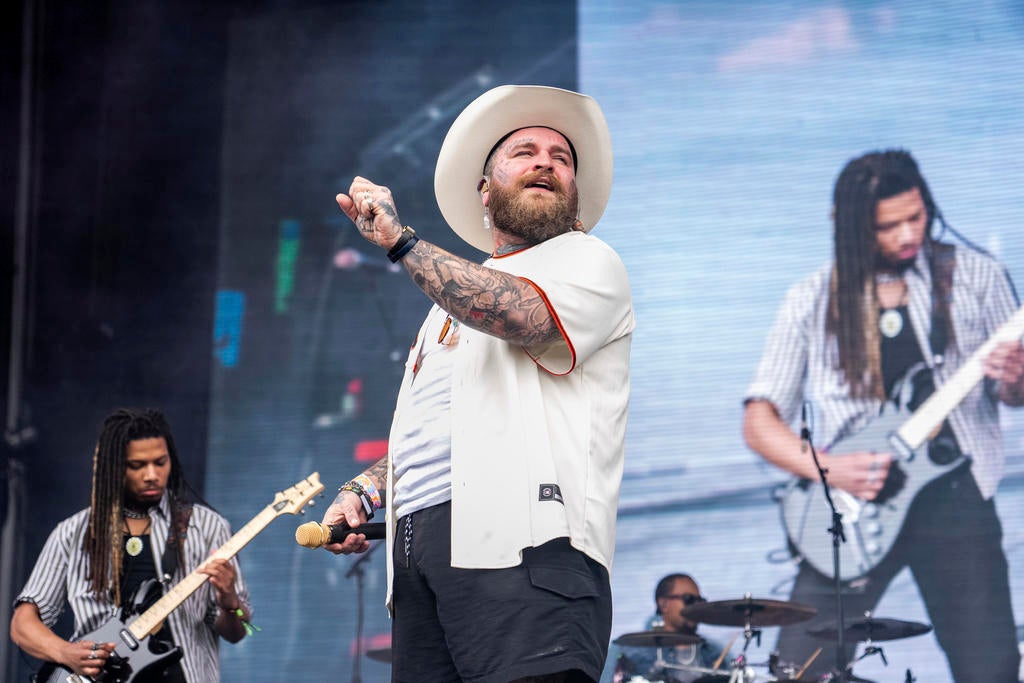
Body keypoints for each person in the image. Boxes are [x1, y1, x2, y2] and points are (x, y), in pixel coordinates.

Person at [320, 84, 635, 683]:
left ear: (573, 197)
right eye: (525, 151)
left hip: (526, 555)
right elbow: (442, 426)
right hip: (419, 561)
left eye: (562, 158)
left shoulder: (589, 262)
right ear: (486, 191)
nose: (546, 161)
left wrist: (399, 242)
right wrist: (364, 493)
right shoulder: (443, 305)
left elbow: (519, 314)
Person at [742, 150, 1023, 681]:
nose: (906, 235)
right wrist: (828, 468)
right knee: (798, 670)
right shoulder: (809, 300)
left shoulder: (978, 277)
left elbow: (1014, 396)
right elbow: (759, 420)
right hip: (854, 505)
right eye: (887, 226)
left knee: (990, 670)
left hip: (957, 501)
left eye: (915, 217)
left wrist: (1015, 377)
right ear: (851, 228)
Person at [10, 408, 252, 682]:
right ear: (114, 468)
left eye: (160, 462)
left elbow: (241, 630)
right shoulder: (73, 532)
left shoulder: (207, 527)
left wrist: (230, 602)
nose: (152, 474)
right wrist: (66, 653)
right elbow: (22, 625)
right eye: (137, 466)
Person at [600, 574, 724, 683]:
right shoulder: (627, 650)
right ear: (663, 604)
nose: (696, 606)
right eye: (689, 600)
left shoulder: (714, 652)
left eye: (700, 601)